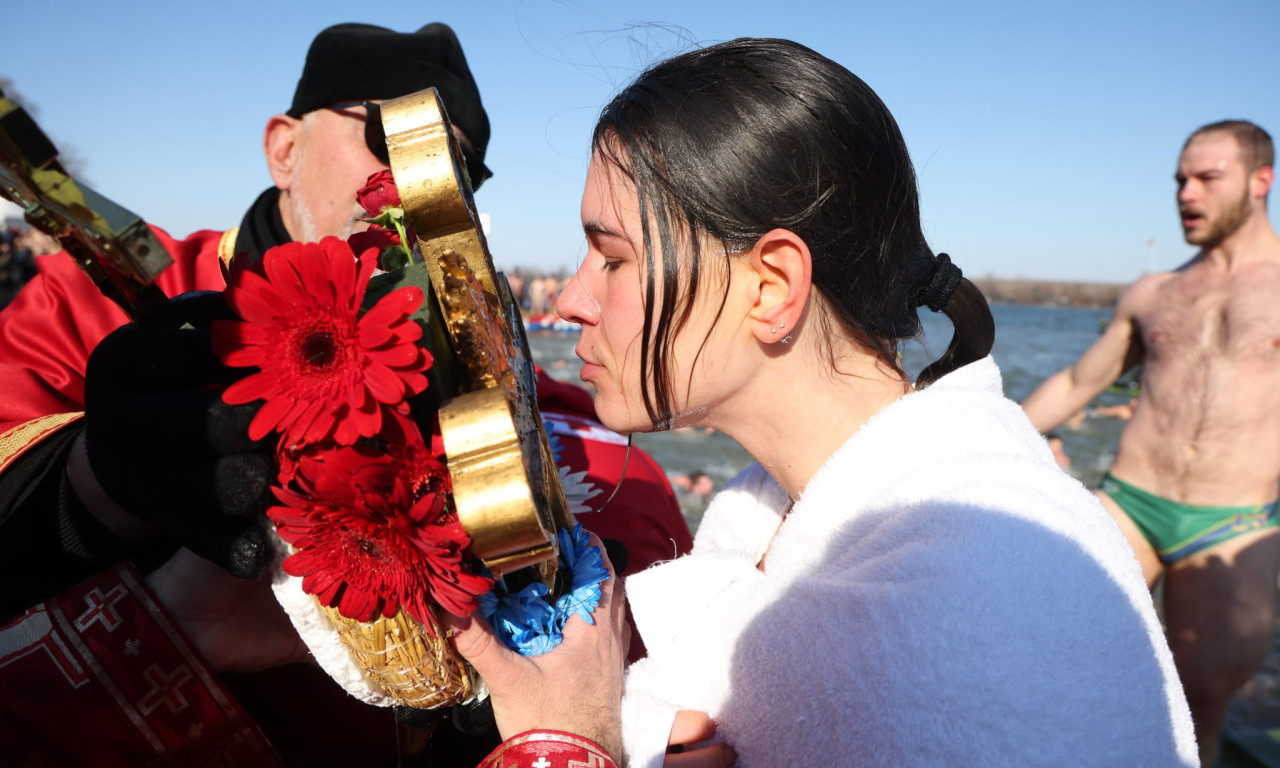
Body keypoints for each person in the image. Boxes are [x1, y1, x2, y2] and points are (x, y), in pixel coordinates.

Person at [449, 37, 1198, 766]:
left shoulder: (983, 599)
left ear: (771, 286)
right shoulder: (776, 520)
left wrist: (562, 745)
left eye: (613, 258)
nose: (573, 299)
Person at [0, 21, 691, 766]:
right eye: (391, 135)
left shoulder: (519, 403)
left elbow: (639, 586)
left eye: (457, 168)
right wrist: (90, 486)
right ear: (284, 148)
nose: (429, 183)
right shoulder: (94, 309)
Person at [1021, 119, 1280, 765]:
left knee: (1199, 709)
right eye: (1179, 180)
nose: (1186, 194)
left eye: (1206, 178)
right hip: (1129, 503)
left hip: (1234, 524)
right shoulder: (1154, 292)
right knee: (1063, 668)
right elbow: (1082, 379)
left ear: (1260, 181)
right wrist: (985, 440)